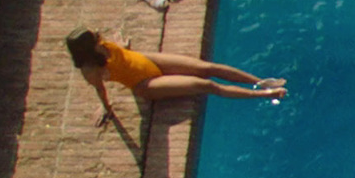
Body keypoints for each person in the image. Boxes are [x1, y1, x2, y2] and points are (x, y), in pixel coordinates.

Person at [66, 28, 286, 125]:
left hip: (146, 60)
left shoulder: (102, 44)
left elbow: (122, 55)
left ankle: (259, 81)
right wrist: (106, 107)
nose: (97, 33)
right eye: (93, 36)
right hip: (144, 83)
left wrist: (122, 47)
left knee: (207, 67)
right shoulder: (91, 70)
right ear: (87, 48)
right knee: (206, 84)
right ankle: (265, 94)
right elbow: (99, 88)